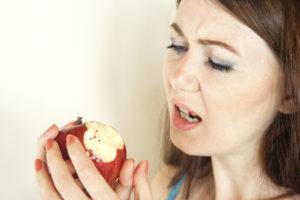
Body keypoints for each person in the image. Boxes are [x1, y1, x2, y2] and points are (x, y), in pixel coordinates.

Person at [34, 0, 300, 199]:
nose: (178, 77)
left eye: (218, 63)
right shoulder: (169, 185)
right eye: (177, 45)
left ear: (289, 93)